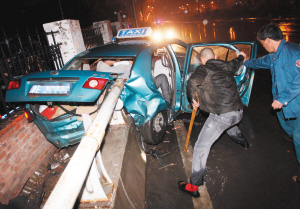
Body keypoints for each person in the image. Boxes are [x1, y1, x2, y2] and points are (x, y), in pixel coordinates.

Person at [178, 47, 249, 198]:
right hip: (238, 111)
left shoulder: (203, 69)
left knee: (201, 146)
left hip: (223, 115)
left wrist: (192, 99)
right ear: (215, 56)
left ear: (202, 60)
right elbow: (237, 62)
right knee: (230, 125)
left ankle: (193, 186)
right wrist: (242, 56)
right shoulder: (226, 65)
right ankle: (244, 142)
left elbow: (192, 82)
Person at [243, 24, 300, 184]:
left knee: (298, 136)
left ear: (268, 40)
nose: (262, 45)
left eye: (262, 43)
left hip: (294, 101)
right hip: (286, 106)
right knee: (286, 126)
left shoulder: (293, 52)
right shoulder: (274, 55)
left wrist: (283, 98)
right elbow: (260, 62)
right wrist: (245, 63)